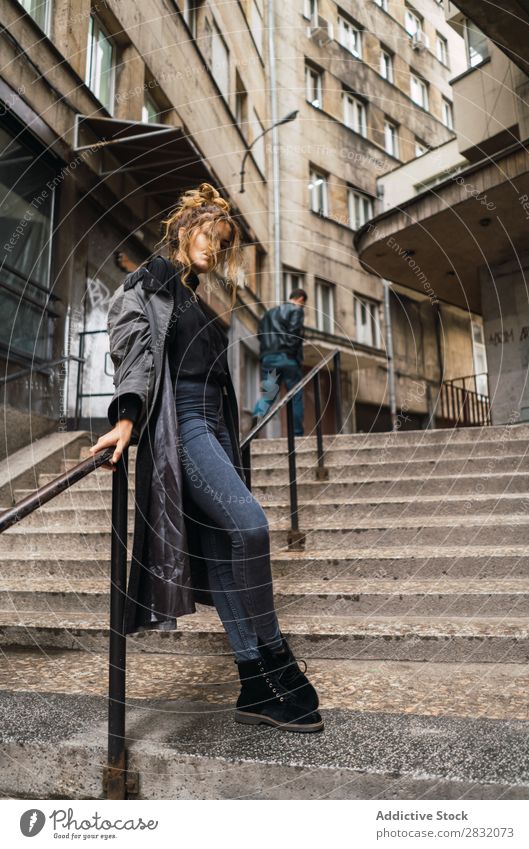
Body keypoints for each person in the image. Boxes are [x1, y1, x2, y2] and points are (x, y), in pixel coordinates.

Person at [88, 182, 323, 734]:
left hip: (218, 425)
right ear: (184, 226)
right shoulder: (147, 282)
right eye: (208, 236)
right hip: (185, 421)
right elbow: (134, 351)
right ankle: (274, 654)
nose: (213, 248)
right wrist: (126, 417)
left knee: (224, 552)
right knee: (252, 527)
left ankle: (255, 686)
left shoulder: (199, 292)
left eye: (221, 243)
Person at [252, 289, 308, 436]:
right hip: (287, 357)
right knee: (295, 395)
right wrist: (291, 351)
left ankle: (257, 417)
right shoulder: (296, 310)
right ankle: (297, 435)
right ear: (301, 299)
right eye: (303, 304)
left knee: (268, 394)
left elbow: (260, 334)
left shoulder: (268, 314)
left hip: (269, 358)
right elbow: (294, 333)